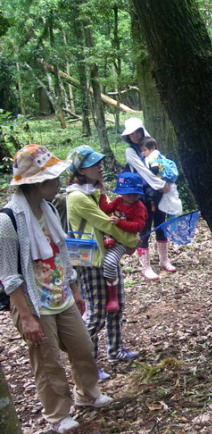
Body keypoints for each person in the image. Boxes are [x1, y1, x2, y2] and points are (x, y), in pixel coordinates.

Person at [0, 145, 112, 433]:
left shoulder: (48, 208)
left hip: (61, 293)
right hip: (33, 302)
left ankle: (88, 394)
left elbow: (62, 251)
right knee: (48, 362)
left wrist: (75, 288)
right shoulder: (8, 220)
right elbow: (9, 276)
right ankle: (57, 415)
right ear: (36, 182)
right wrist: (26, 317)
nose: (58, 182)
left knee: (83, 347)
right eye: (52, 177)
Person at [66, 145, 141, 371]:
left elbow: (111, 217)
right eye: (93, 164)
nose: (100, 167)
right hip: (91, 262)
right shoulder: (77, 197)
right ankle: (88, 365)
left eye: (99, 163)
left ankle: (115, 350)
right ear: (80, 170)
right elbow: (105, 223)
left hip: (107, 256)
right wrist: (132, 241)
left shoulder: (95, 192)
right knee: (97, 314)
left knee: (116, 307)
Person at [121, 117, 176, 280]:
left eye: (136, 132)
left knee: (161, 224)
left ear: (141, 131)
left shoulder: (150, 146)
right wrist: (161, 184)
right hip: (142, 194)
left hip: (158, 193)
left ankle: (164, 260)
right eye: (131, 134)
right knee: (144, 227)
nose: (134, 136)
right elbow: (143, 171)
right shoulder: (131, 151)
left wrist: (166, 184)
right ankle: (145, 266)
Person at [98, 172, 147, 312]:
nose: (131, 197)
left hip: (124, 241)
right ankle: (108, 238)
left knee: (109, 262)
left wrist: (119, 222)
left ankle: (113, 296)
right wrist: (102, 194)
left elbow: (138, 226)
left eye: (135, 194)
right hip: (112, 236)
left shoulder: (139, 207)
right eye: (128, 194)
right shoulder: (118, 201)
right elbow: (105, 209)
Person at [140, 137, 182, 216]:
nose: (143, 153)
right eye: (142, 151)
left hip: (161, 183)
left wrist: (150, 178)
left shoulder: (152, 156)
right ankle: (172, 218)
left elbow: (155, 169)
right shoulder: (159, 154)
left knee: (163, 205)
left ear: (152, 148)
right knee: (170, 202)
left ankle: (171, 219)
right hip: (167, 181)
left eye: (145, 150)